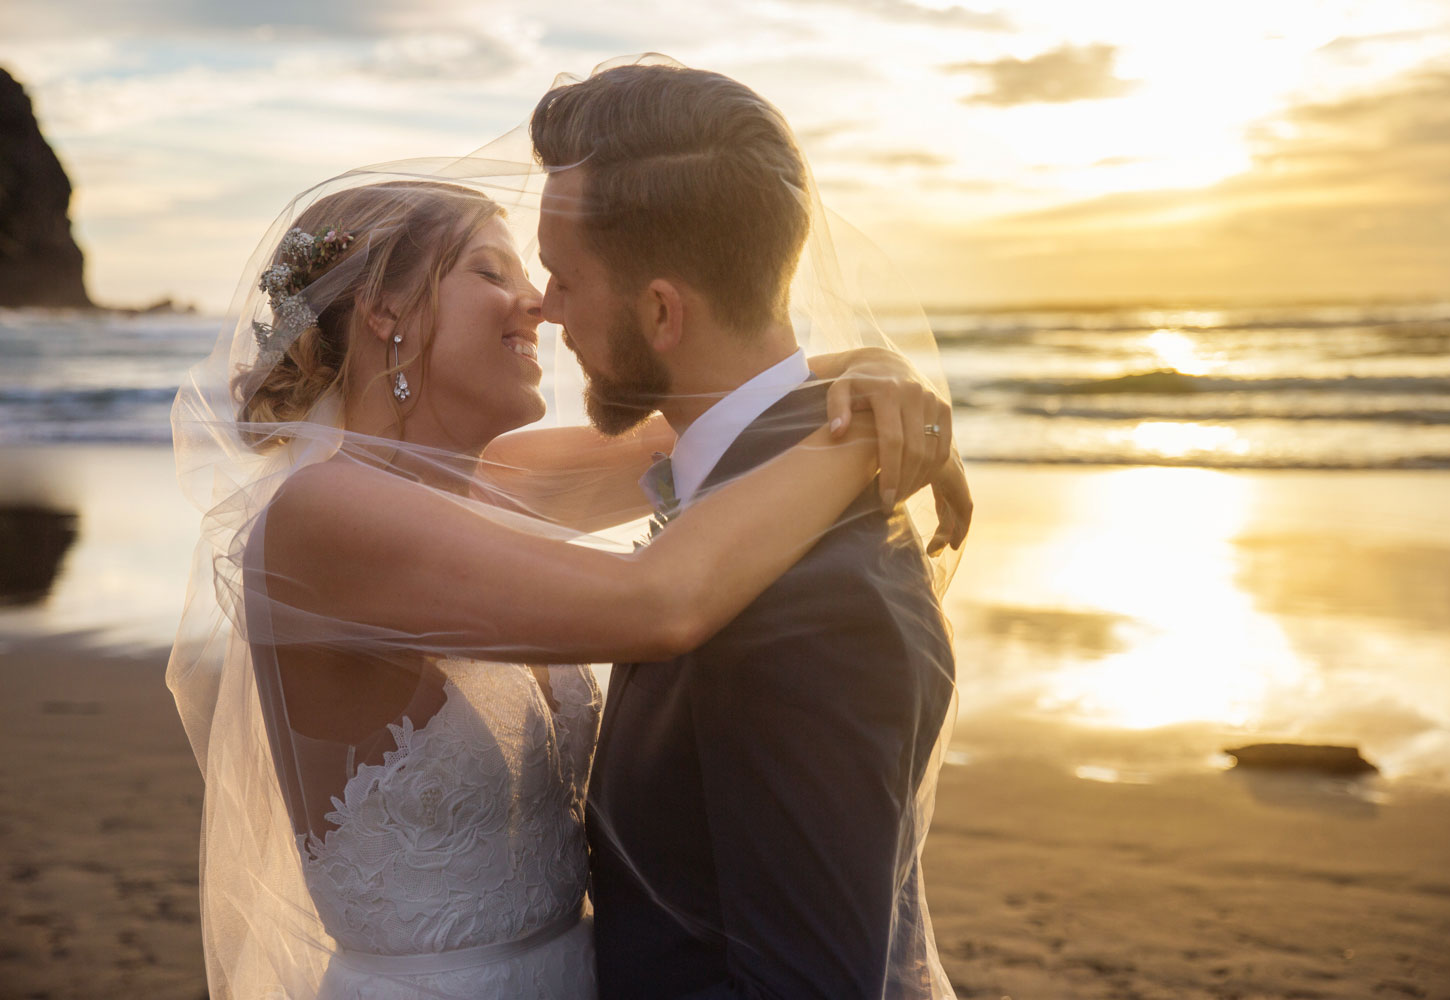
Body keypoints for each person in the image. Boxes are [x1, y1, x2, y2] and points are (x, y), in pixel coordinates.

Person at [167, 109, 966, 999]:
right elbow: (661, 603)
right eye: (489, 272)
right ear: (387, 311)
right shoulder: (321, 517)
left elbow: (717, 412)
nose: (540, 304)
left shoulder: (490, 484)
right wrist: (860, 443)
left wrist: (879, 380)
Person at [529, 62, 958, 998]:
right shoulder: (757, 493)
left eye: (562, 278)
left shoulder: (815, 607)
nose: (543, 307)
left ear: (660, 311)